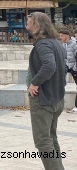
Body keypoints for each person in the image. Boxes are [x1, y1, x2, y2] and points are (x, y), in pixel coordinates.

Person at [24, 13, 67, 170]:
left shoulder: (43, 45)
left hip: (44, 100)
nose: (26, 26)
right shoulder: (56, 43)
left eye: (28, 23)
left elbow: (49, 66)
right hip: (56, 99)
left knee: (43, 141)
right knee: (51, 138)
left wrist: (35, 83)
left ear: (36, 25)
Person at [59, 30, 77, 113]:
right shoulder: (64, 44)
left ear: (67, 36)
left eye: (62, 36)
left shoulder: (74, 44)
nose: (60, 37)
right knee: (59, 83)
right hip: (67, 66)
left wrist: (74, 68)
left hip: (74, 67)